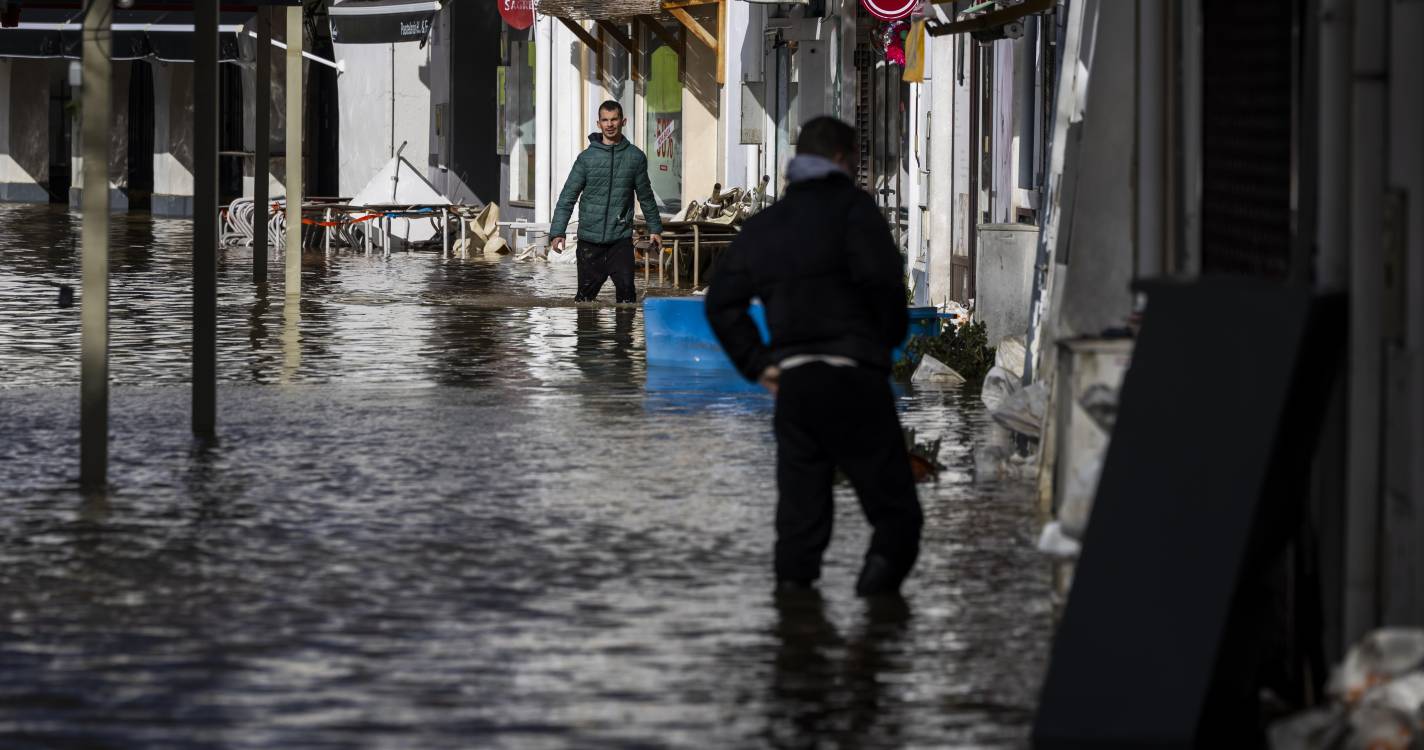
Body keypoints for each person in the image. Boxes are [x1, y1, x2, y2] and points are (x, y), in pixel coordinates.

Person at [704, 116, 922, 597]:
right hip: (856, 383)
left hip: (796, 389)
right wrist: (878, 350)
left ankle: (797, 644)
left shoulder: (766, 225)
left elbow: (720, 303)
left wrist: (760, 364)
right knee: (896, 519)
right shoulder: (857, 213)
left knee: (800, 528)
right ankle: (876, 635)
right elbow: (887, 293)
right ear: (843, 158)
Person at [549, 101, 664, 303]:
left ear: (623, 121)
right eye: (605, 120)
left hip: (620, 239)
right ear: (599, 124)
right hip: (589, 242)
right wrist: (558, 232)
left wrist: (655, 228)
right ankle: (588, 334)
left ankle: (624, 335)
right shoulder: (586, 159)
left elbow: (645, 197)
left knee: (628, 297)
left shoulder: (635, 157)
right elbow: (567, 197)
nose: (610, 124)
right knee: (585, 300)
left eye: (614, 119)